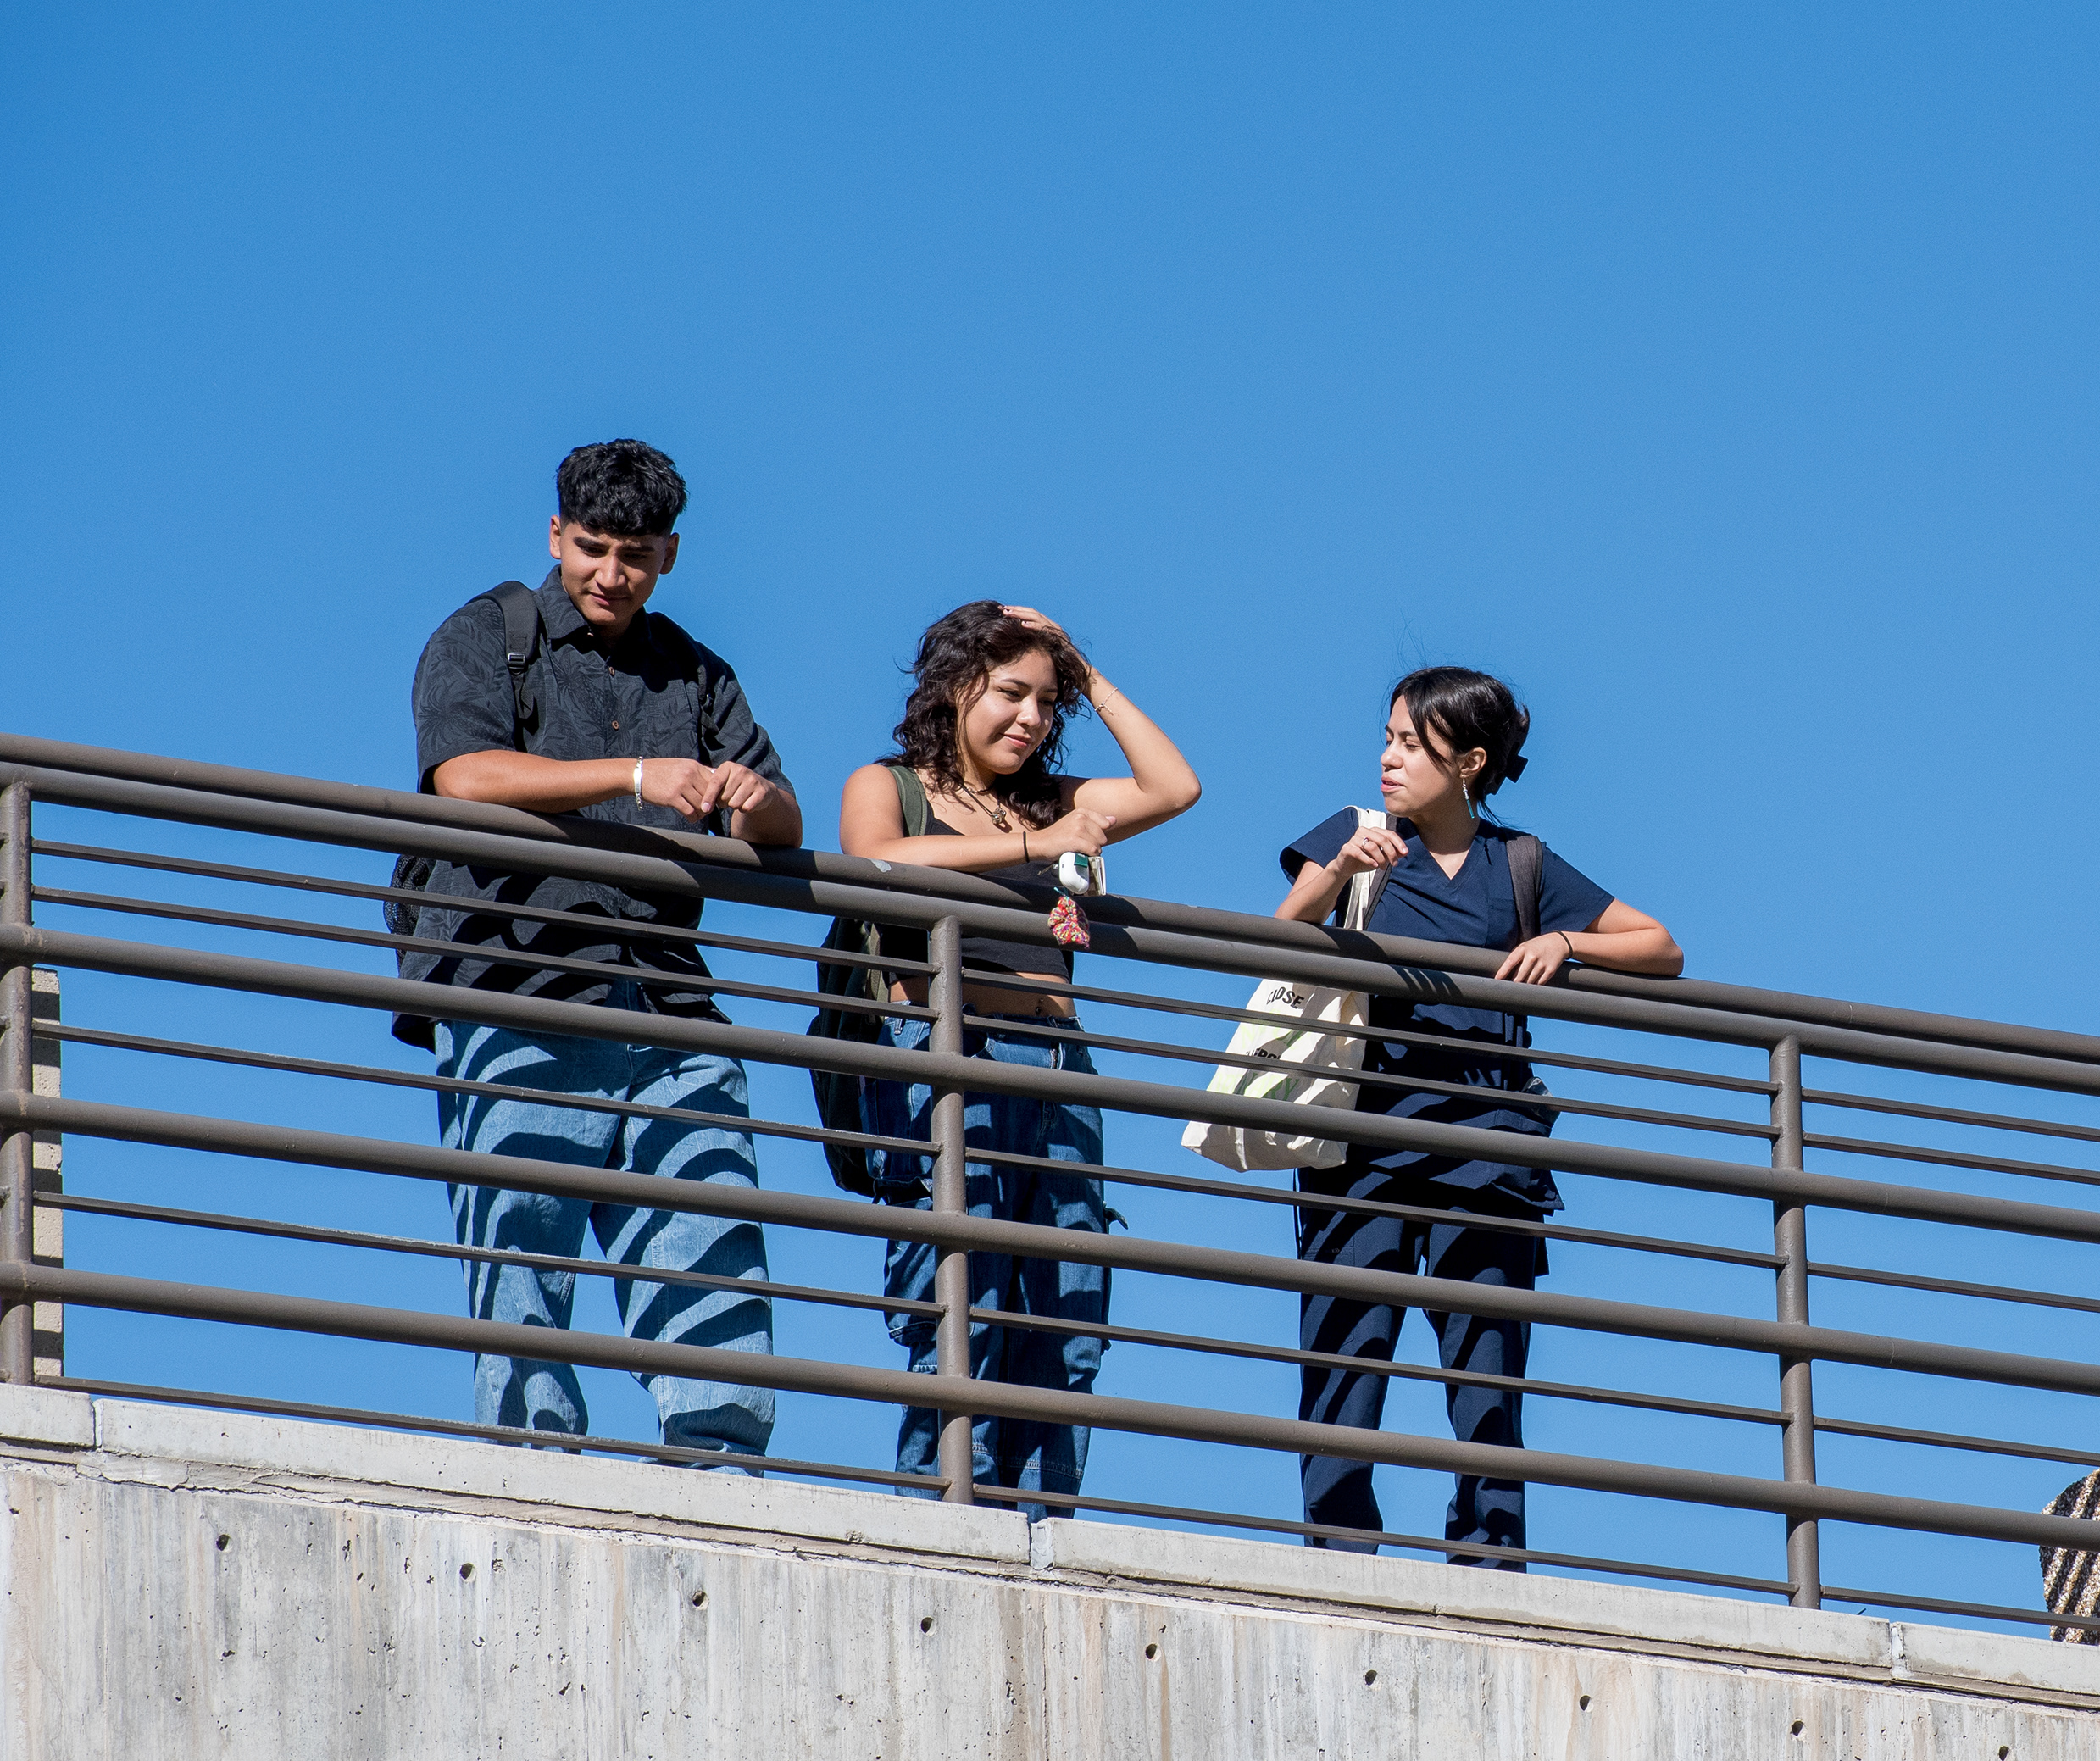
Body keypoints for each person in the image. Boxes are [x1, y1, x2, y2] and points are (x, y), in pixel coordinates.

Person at [403, 439, 801, 1458]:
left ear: (669, 553)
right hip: (519, 985)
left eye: (635, 554)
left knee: (713, 1255)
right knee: (519, 1260)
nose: (611, 575)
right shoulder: (487, 632)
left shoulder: (696, 670)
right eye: (592, 549)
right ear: (555, 534)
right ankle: (536, 1480)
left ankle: (722, 1483)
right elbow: (463, 777)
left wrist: (754, 803)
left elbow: (783, 822)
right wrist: (635, 773)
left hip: (670, 1004)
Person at [1271, 669, 1681, 1565]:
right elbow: (1278, 933)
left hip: (1491, 1158)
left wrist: (1568, 941)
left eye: (1412, 745)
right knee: (1346, 1371)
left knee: (1487, 1387)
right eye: (1386, 737)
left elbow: (1661, 946)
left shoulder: (1521, 861)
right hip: (1360, 1152)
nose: (1388, 758)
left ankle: (1490, 1572)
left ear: (1471, 762)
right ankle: (1340, 1566)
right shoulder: (1354, 836)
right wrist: (1338, 869)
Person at [840, 602, 1199, 1516]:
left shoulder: (1056, 796)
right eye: (1011, 693)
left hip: (1059, 1074)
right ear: (955, 686)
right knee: (962, 1306)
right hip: (948, 1058)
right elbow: (876, 862)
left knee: (1067, 1317)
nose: (1032, 718)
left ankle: (1047, 1537)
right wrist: (1037, 849)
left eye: (1049, 701)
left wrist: (1083, 665)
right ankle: (945, 1525)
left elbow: (1174, 787)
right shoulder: (891, 784)